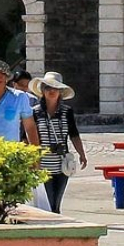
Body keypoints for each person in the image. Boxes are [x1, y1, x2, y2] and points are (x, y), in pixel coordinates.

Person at [31, 72, 87, 213]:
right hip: (43, 164)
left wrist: (82, 154)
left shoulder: (66, 112)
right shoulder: (34, 113)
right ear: (42, 91)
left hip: (62, 163)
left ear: (60, 92)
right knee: (47, 201)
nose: (51, 91)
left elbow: (73, 134)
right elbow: (27, 137)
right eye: (48, 88)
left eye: (55, 89)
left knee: (57, 201)